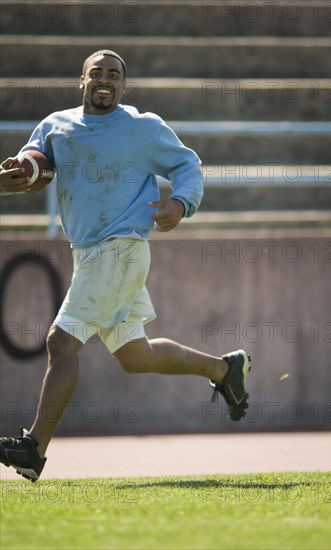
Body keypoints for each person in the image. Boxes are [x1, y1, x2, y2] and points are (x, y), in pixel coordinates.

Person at [0, 50, 252, 482]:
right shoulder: (55, 125)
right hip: (90, 253)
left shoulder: (143, 128)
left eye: (113, 75)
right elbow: (31, 163)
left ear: (123, 85)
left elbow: (187, 164)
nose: (104, 80)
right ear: (81, 79)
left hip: (121, 248)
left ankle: (34, 448)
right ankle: (223, 369)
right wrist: (14, 175)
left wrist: (181, 201)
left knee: (62, 342)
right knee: (136, 356)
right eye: (96, 73)